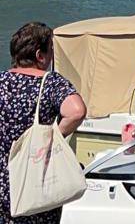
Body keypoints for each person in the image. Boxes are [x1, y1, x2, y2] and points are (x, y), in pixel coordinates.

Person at [1, 23, 87, 224]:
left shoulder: (2, 81)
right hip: (37, 180)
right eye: (51, 53)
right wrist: (55, 134)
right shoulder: (50, 83)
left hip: (4, 184)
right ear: (40, 55)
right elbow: (76, 111)